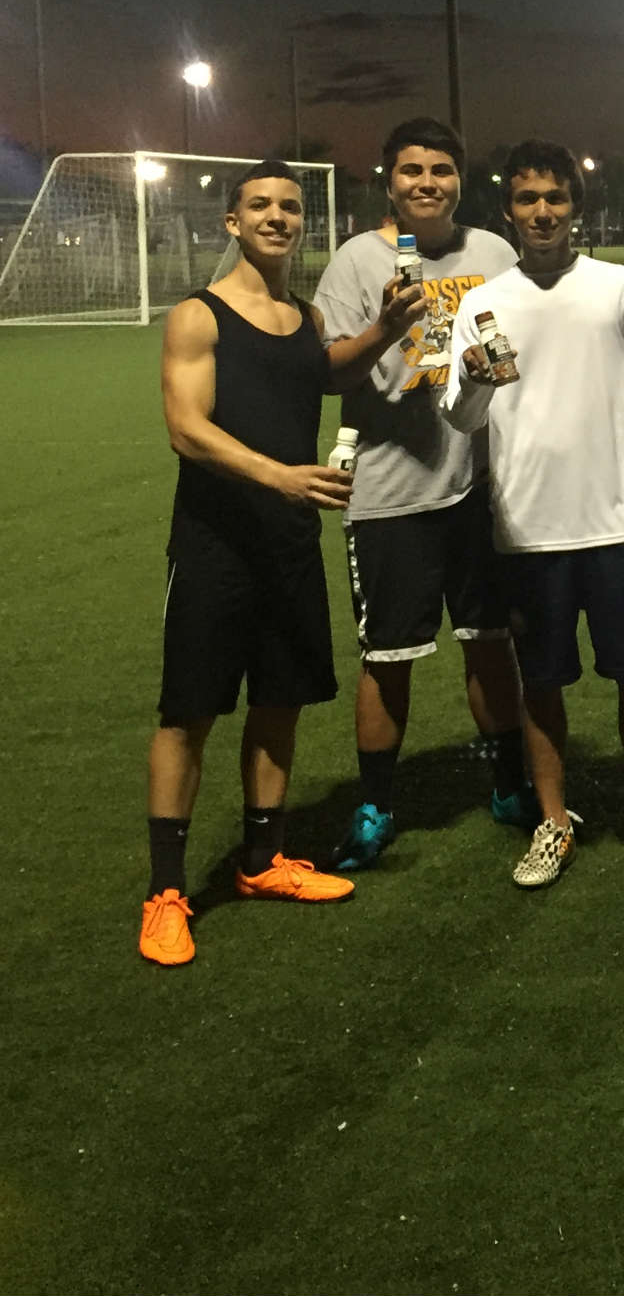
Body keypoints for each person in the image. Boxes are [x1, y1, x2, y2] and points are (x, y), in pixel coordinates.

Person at [140, 161, 403, 965]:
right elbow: (187, 429)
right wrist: (280, 475)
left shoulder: (305, 314)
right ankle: (167, 894)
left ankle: (262, 862)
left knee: (279, 701)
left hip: (288, 544)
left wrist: (389, 329)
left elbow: (325, 373)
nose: (278, 217)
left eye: (290, 207)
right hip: (217, 544)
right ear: (232, 221)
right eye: (260, 205)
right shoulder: (198, 315)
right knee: (189, 714)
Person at [442, 140, 624, 892]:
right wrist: (475, 382)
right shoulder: (482, 303)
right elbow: (460, 416)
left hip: (617, 525)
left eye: (555, 199)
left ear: (576, 206)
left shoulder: (621, 288)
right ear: (507, 209)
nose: (542, 213)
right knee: (540, 684)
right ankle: (553, 821)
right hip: (527, 530)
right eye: (526, 199)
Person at [314, 117, 532, 872]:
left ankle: (510, 784)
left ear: (460, 180)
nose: (427, 183)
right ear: (389, 180)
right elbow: (332, 371)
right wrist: (384, 326)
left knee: (492, 642)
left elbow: (522, 341)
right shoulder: (355, 261)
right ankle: (375, 805)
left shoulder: (493, 252)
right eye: (412, 171)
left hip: (481, 485)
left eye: (441, 170)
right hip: (391, 490)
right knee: (389, 654)